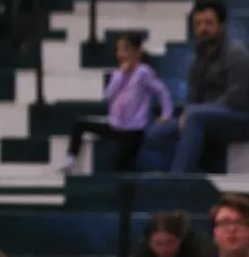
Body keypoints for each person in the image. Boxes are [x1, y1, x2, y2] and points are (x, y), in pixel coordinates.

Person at [139, 0, 249, 174]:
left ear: (221, 25)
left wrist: (194, 112)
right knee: (157, 133)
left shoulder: (237, 55)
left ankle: (176, 179)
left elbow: (236, 99)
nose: (202, 28)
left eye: (208, 23)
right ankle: (185, 173)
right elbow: (193, 98)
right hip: (209, 116)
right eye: (198, 24)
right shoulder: (196, 60)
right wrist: (189, 113)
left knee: (195, 116)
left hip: (247, 117)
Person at [57, 32, 172, 173]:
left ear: (137, 52)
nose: (121, 54)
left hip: (133, 129)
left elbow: (162, 91)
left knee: (118, 163)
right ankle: (70, 160)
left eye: (125, 49)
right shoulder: (117, 74)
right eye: (118, 50)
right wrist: (122, 75)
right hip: (115, 125)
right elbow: (108, 95)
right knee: (79, 125)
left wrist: (166, 113)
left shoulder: (144, 72)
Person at [131, 211, 210, 257]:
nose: (164, 250)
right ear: (149, 242)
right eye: (158, 244)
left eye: (170, 242)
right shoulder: (142, 253)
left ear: (181, 238)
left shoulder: (195, 250)